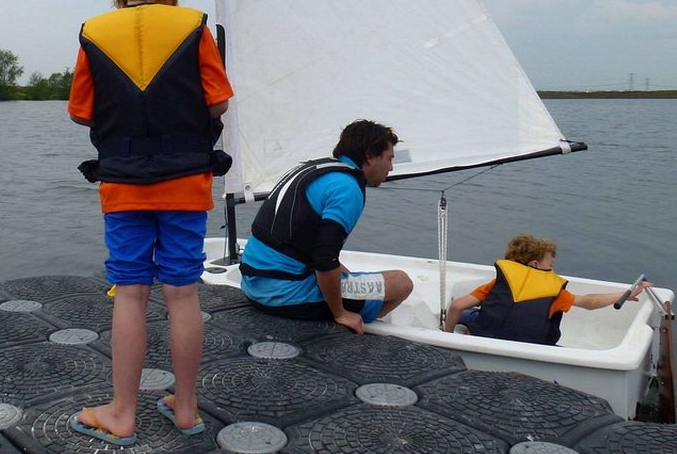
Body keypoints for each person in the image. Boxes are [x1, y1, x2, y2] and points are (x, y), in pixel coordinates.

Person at [66, 0, 234, 445]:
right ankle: (185, 407)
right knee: (182, 294)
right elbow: (218, 102)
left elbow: (80, 112)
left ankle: (122, 412)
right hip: (185, 184)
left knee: (130, 292)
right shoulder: (195, 27)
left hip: (123, 186)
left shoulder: (93, 32)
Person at [239, 119, 413, 334]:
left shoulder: (314, 170)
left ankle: (357, 308)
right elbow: (324, 261)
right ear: (370, 156)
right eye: (389, 158)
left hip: (252, 284)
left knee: (343, 272)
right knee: (402, 283)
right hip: (283, 294)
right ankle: (360, 323)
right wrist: (340, 312)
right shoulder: (347, 188)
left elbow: (312, 251)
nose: (391, 167)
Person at [444, 233, 652, 345]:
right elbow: (590, 302)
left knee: (466, 312)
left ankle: (453, 329)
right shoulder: (555, 293)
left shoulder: (497, 284)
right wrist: (625, 294)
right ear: (535, 264)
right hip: (530, 345)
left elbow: (456, 306)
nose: (553, 268)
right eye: (550, 264)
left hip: (484, 338)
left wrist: (447, 336)